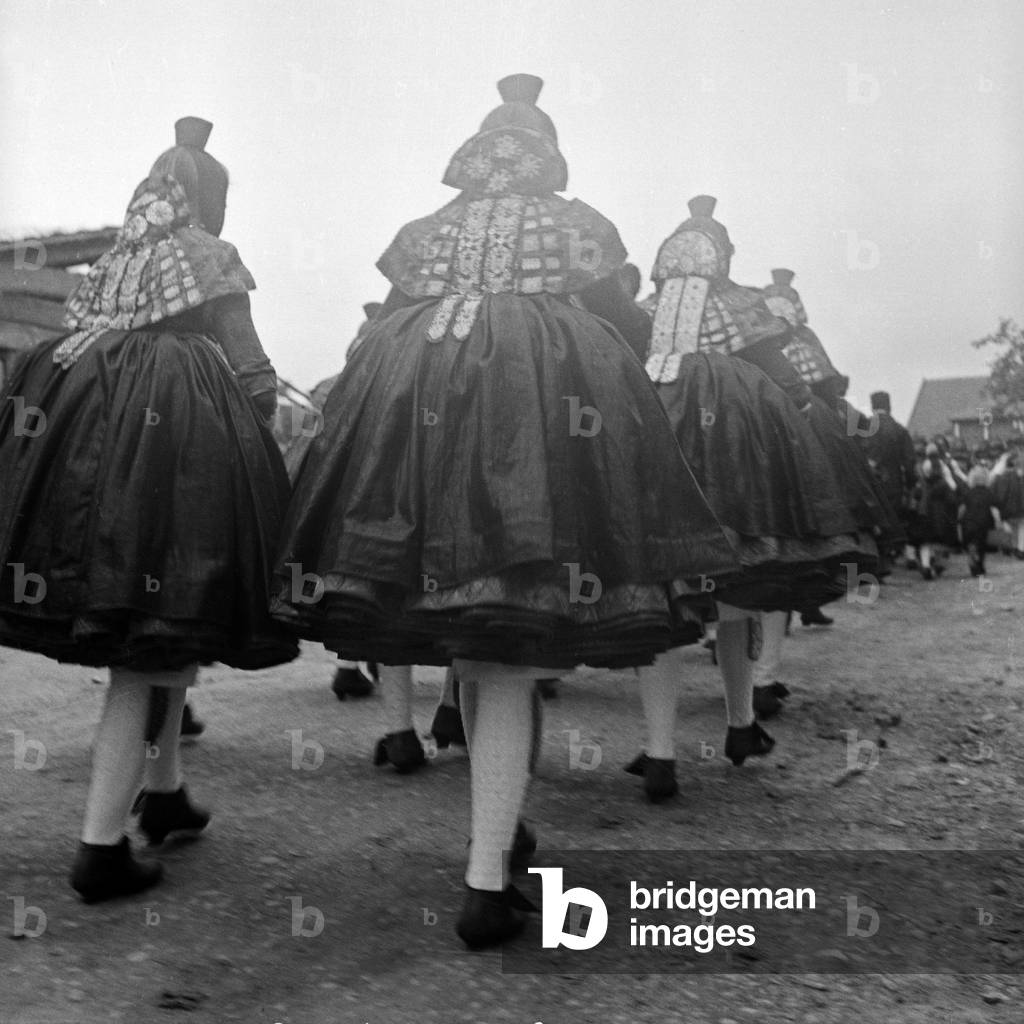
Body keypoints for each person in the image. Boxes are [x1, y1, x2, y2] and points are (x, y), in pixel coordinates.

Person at [271, 76, 736, 948]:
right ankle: (486, 882)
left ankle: (498, 826)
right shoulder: (580, 228)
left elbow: (369, 337)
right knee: (509, 651)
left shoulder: (424, 236)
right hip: (544, 459)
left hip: (417, 465)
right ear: (548, 156)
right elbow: (632, 331)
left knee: (480, 647)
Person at [0, 117, 298, 902]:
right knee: (155, 638)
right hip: (175, 468)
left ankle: (162, 790)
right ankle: (100, 845)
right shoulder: (209, 256)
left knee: (155, 633)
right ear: (211, 198)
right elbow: (254, 372)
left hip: (84, 475)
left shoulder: (107, 272)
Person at [626, 198, 875, 800]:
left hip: (653, 473)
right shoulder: (746, 309)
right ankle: (740, 725)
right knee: (734, 601)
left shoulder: (642, 316)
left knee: (664, 604)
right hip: (736, 484)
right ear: (723, 257)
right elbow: (791, 386)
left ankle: (660, 754)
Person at [861, 390, 917, 567]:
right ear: (889, 406)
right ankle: (887, 557)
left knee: (872, 517)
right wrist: (910, 483)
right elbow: (909, 462)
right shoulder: (899, 430)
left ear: (872, 406)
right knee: (892, 517)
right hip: (893, 482)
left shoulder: (863, 428)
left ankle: (875, 558)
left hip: (868, 482)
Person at [959, 466, 999, 576]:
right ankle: (980, 566)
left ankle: (973, 561)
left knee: (971, 543)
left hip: (968, 522)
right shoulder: (989, 493)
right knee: (981, 545)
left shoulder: (968, 492)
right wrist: (998, 522)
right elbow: (994, 509)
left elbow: (962, 508)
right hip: (983, 523)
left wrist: (958, 520)